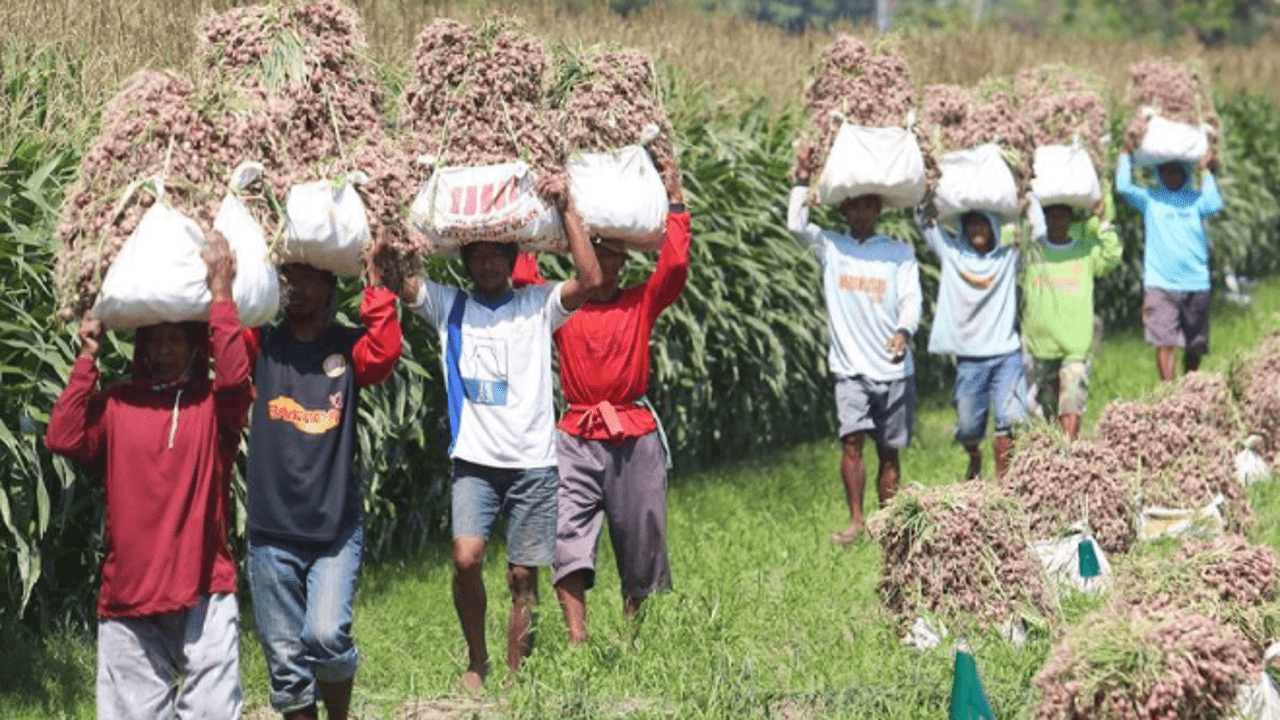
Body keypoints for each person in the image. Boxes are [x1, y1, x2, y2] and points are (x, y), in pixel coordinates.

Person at [396, 177, 603, 692]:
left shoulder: (537, 305)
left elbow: (592, 279)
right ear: (465, 260)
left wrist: (567, 209)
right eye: (478, 257)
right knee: (465, 559)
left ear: (513, 257)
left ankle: (515, 678)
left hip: (533, 463)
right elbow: (400, 277)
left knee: (521, 578)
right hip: (474, 462)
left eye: (497, 256)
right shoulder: (450, 306)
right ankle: (477, 658)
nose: (487, 265)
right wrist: (394, 203)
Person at [46, 233, 250, 720]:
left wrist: (221, 296)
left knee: (215, 714)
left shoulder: (211, 407)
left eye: (174, 338)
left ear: (193, 343)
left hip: (205, 587)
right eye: (152, 338)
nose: (162, 349)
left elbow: (237, 379)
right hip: (130, 594)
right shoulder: (117, 403)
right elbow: (63, 437)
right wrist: (87, 358)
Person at [511, 153, 688, 643]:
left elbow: (673, 266)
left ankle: (635, 638)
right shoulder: (561, 304)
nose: (605, 263)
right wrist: (533, 197)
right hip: (576, 436)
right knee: (567, 536)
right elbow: (522, 273)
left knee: (641, 538)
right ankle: (577, 639)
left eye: (612, 255)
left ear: (625, 260)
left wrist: (675, 201)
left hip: (634, 434)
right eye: (596, 252)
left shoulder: (640, 301)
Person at [242, 240, 402, 720]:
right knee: (288, 667)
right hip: (271, 533)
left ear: (332, 284)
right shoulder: (264, 346)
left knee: (327, 636)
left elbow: (385, 350)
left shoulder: (348, 348)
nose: (296, 288)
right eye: (287, 276)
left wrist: (375, 283)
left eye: (310, 276)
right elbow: (228, 332)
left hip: (333, 527)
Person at [787, 176, 922, 545]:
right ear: (844, 210)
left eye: (869, 205)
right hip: (849, 367)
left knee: (888, 450)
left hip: (892, 366)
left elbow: (911, 299)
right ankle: (857, 520)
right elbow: (795, 224)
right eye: (855, 205)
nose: (862, 212)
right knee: (852, 442)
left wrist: (904, 331)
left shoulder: (898, 252)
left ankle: (888, 521)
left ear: (879, 209)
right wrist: (802, 183)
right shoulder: (832, 246)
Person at [917, 206, 1026, 479]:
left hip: (1006, 354)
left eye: (983, 224)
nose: (978, 229)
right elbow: (925, 223)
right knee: (968, 428)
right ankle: (974, 455)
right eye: (972, 224)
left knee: (1010, 420)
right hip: (969, 358)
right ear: (964, 228)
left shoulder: (1008, 258)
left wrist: (1028, 198)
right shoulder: (952, 254)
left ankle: (1004, 482)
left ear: (994, 227)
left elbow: (1038, 231)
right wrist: (927, 193)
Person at [1115, 151, 1223, 382]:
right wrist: (1125, 153)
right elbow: (1124, 187)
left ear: (1185, 173)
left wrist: (1205, 171)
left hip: (1196, 282)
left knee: (1195, 345)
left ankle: (1190, 389)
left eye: (1176, 171)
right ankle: (1169, 392)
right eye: (1165, 171)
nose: (1171, 175)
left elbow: (1214, 204)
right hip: (1160, 284)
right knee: (1164, 342)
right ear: (1159, 173)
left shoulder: (1196, 200)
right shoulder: (1150, 200)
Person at [1023, 190, 1122, 439]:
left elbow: (1112, 256)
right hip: (1040, 347)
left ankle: (1069, 460)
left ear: (1070, 219)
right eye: (1051, 216)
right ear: (1044, 218)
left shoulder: (1085, 252)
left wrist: (1103, 220)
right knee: (1046, 412)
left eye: (1063, 216)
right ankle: (1054, 459)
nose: (1057, 221)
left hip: (1075, 348)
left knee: (1071, 406)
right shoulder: (1030, 253)